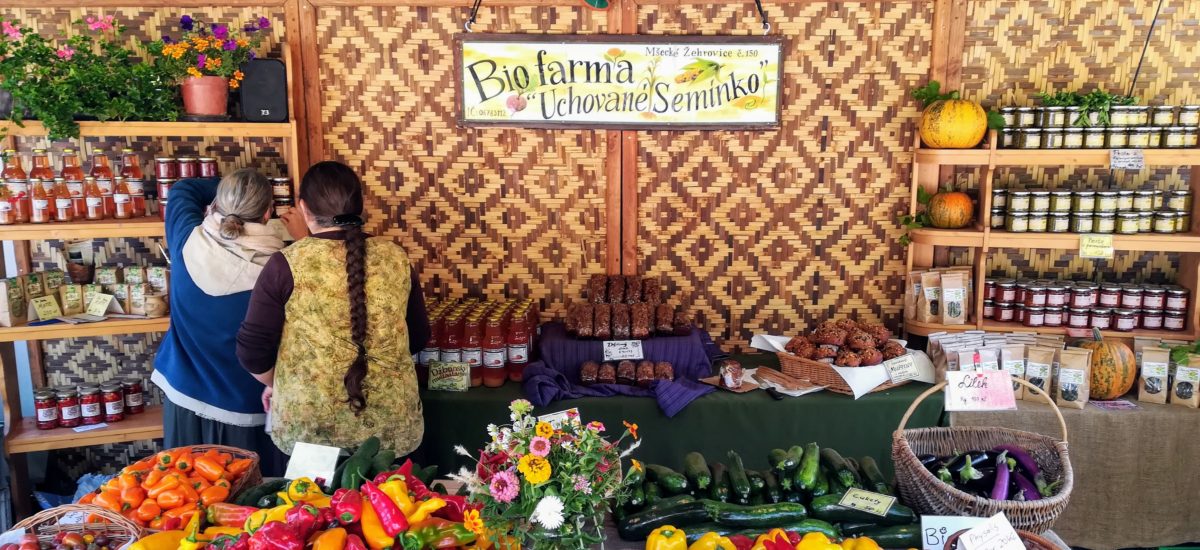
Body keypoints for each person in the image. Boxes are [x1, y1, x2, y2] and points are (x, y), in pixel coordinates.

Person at [237, 161, 430, 456]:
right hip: (391, 430)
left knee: (313, 491)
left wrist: (279, 382)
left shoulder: (285, 264)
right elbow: (417, 338)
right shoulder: (395, 258)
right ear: (360, 206)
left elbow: (252, 351)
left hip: (311, 431)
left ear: (304, 208)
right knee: (391, 489)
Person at [152, 168, 288, 475]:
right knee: (252, 495)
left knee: (186, 491)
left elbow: (183, 189)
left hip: (185, 399)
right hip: (251, 408)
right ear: (268, 213)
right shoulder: (282, 270)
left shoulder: (186, 240)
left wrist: (231, 192)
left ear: (216, 204)